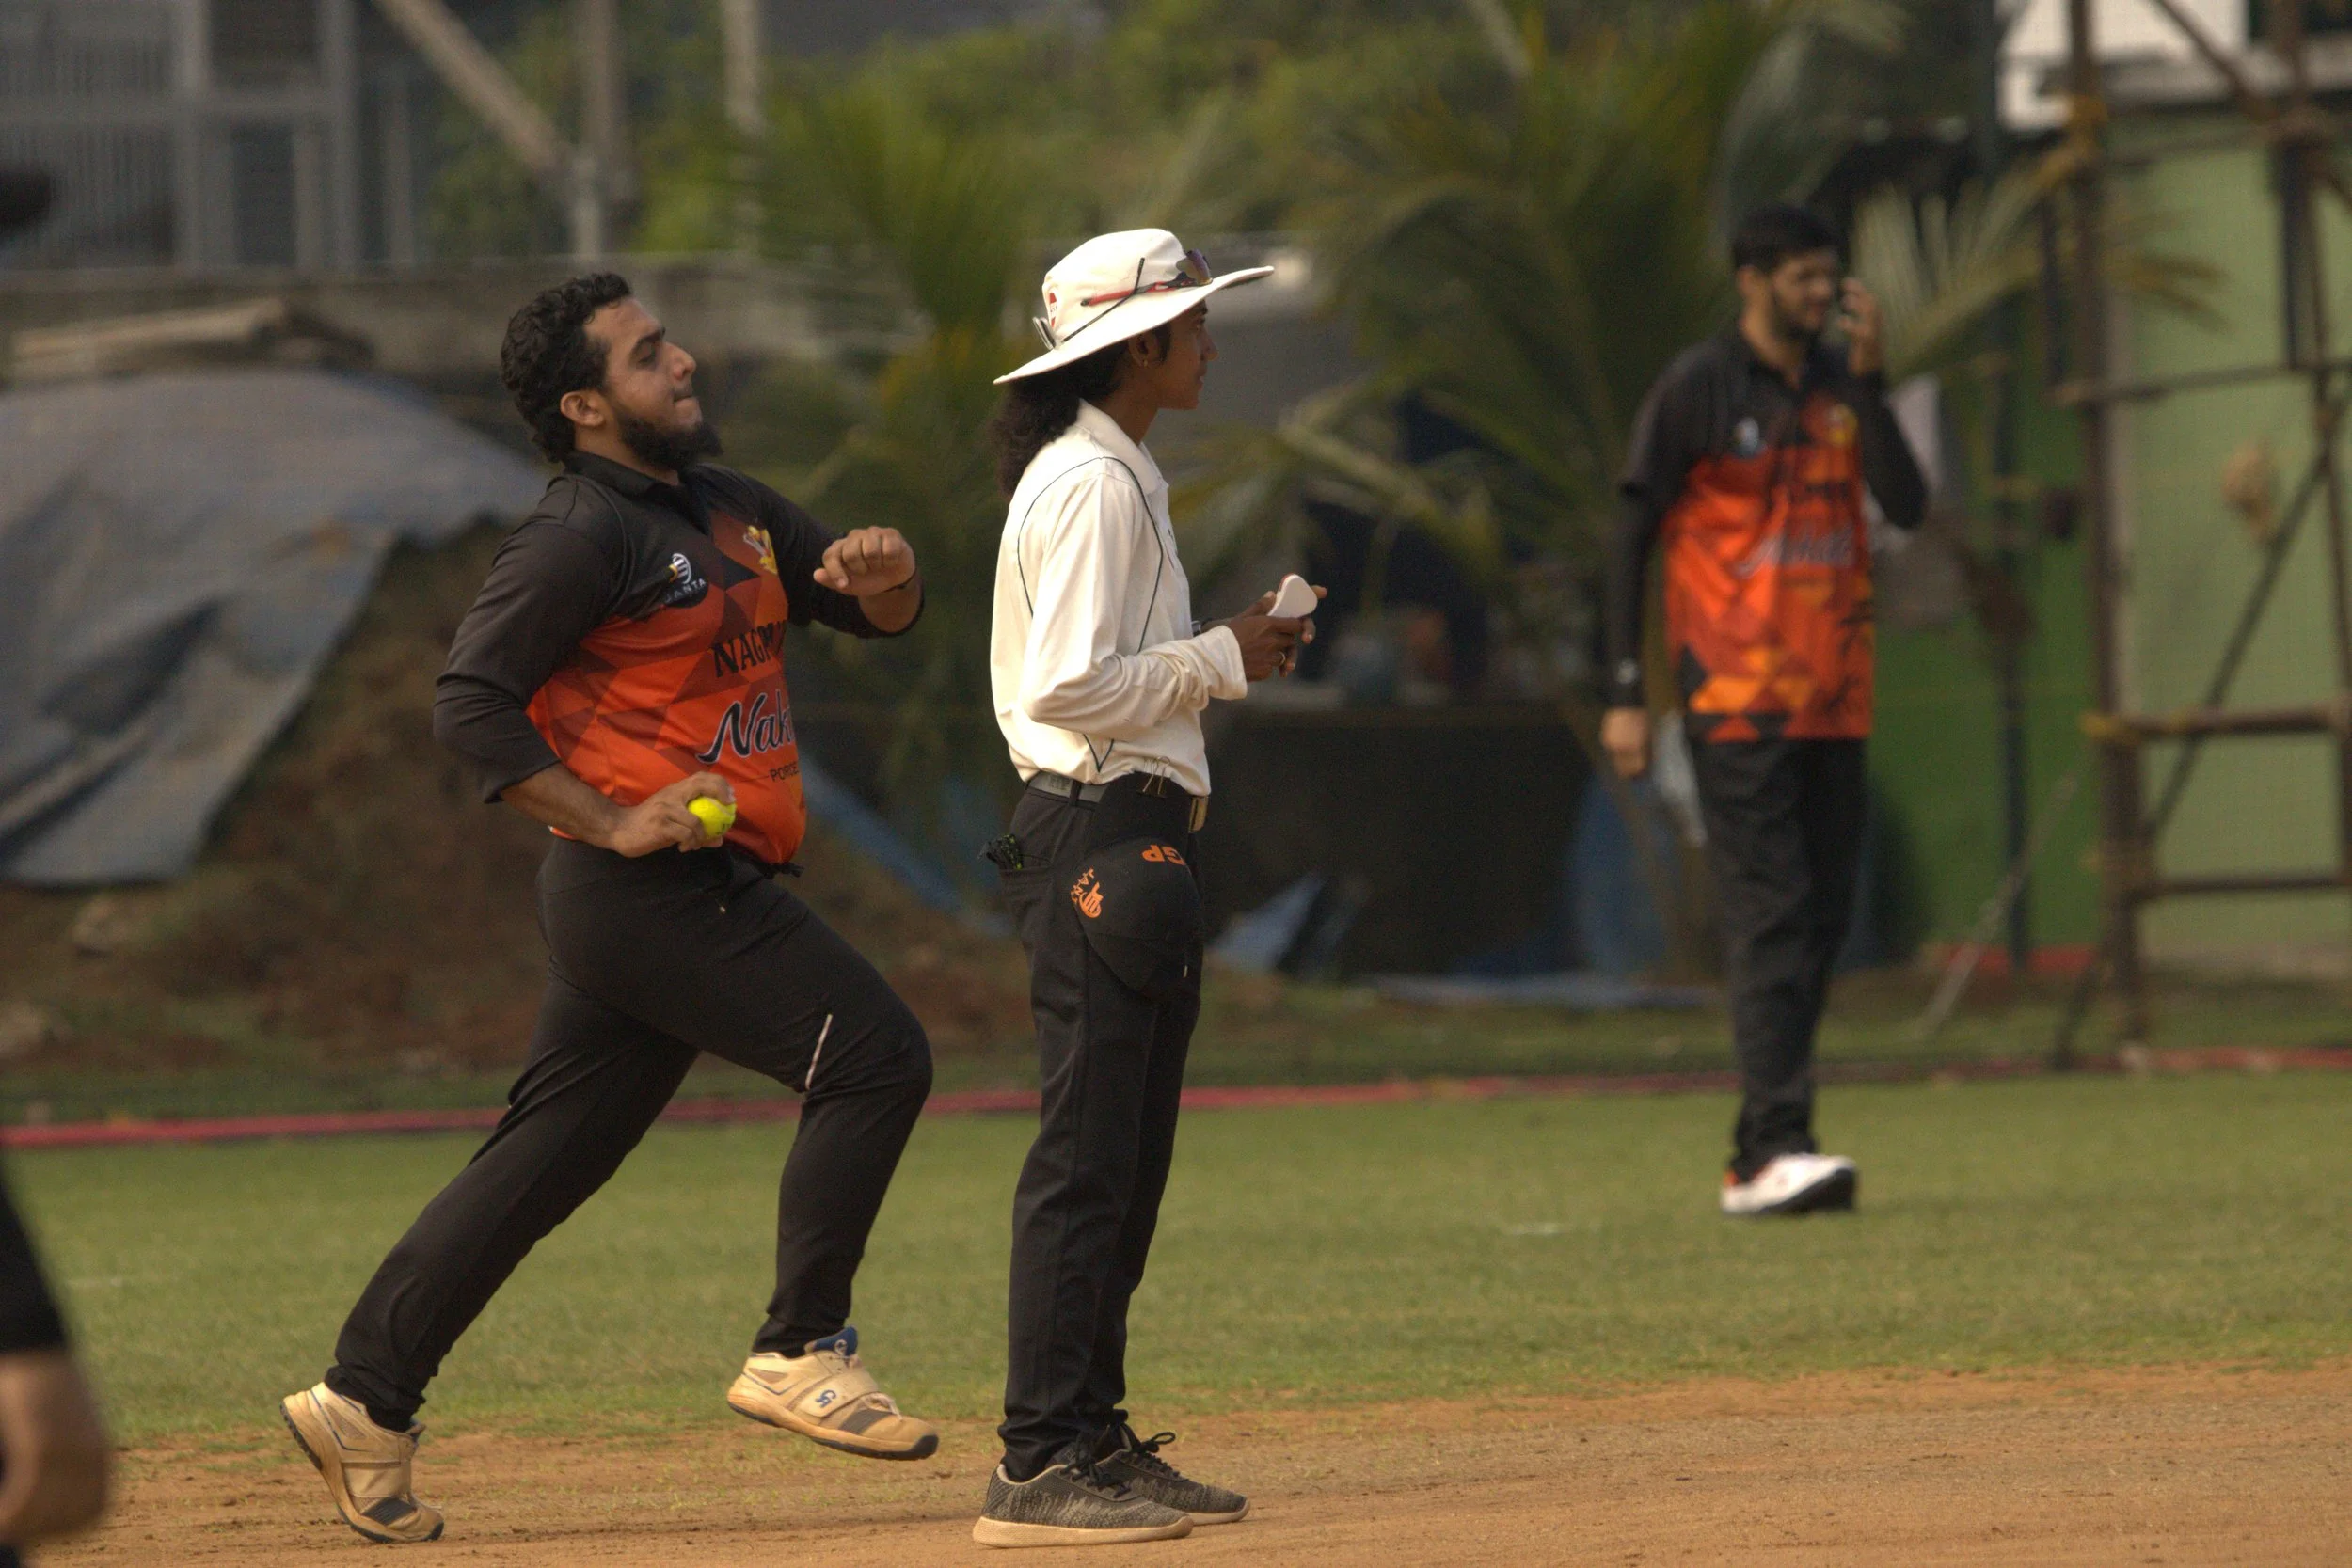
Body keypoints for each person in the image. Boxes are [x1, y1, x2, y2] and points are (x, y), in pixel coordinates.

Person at [281, 274, 939, 1544]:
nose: (682, 361)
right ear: (586, 404)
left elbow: (869, 610)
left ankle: (366, 1398)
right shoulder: (579, 534)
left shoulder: (729, 505)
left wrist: (889, 570)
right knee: (876, 1054)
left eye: (670, 341)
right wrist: (609, 816)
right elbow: (470, 703)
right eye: (648, 356)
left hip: (658, 895)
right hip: (643, 888)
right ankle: (799, 1344)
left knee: (546, 1159)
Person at [973, 230, 1313, 1548]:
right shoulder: (1098, 485)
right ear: (1138, 346)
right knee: (1086, 1158)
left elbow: (1097, 668)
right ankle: (1036, 1460)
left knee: (1124, 1155)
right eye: (1191, 321)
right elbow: (1066, 688)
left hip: (1115, 834)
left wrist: (1215, 651)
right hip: (1095, 835)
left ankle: (1090, 1432)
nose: (1209, 340)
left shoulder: (1111, 470)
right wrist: (1218, 656)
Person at [1601, 204, 1927, 1218]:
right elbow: (1628, 533)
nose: (1819, 293)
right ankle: (1773, 1146)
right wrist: (1625, 689)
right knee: (1773, 914)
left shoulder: (1839, 384)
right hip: (1734, 699)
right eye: (1799, 277)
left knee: (1821, 919)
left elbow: (1906, 504)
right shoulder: (1697, 387)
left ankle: (1763, 1148)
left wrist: (1872, 383)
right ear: (1750, 279)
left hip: (1834, 698)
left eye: (1827, 275)